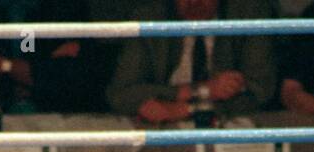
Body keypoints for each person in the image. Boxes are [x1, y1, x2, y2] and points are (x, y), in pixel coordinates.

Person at [106, 0, 276, 123]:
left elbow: (260, 90)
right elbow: (120, 95)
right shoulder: (149, 18)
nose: (194, 2)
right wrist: (202, 90)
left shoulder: (249, 13)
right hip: (162, 131)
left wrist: (186, 110)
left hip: (224, 129)